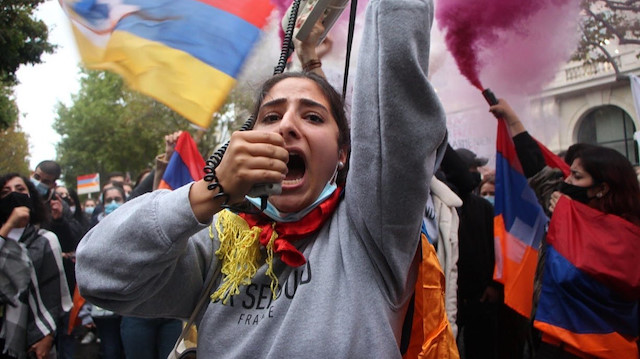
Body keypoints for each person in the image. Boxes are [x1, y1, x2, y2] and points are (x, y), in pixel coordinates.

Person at [76, 0, 448, 357]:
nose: (286, 125)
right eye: (270, 117)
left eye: (314, 117)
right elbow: (98, 275)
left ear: (343, 154)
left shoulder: (370, 232)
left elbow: (394, 84)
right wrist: (211, 190)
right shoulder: (220, 244)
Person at [490, 98, 640, 358]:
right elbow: (540, 173)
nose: (566, 181)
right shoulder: (564, 210)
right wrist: (511, 119)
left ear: (602, 188)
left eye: (577, 177)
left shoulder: (627, 235)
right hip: (553, 341)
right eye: (569, 173)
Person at [0, 173, 72, 359]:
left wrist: (48, 334)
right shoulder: (3, 235)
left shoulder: (46, 240)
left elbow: (56, 293)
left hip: (36, 336)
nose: (14, 195)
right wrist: (8, 227)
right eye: (5, 192)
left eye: (20, 190)